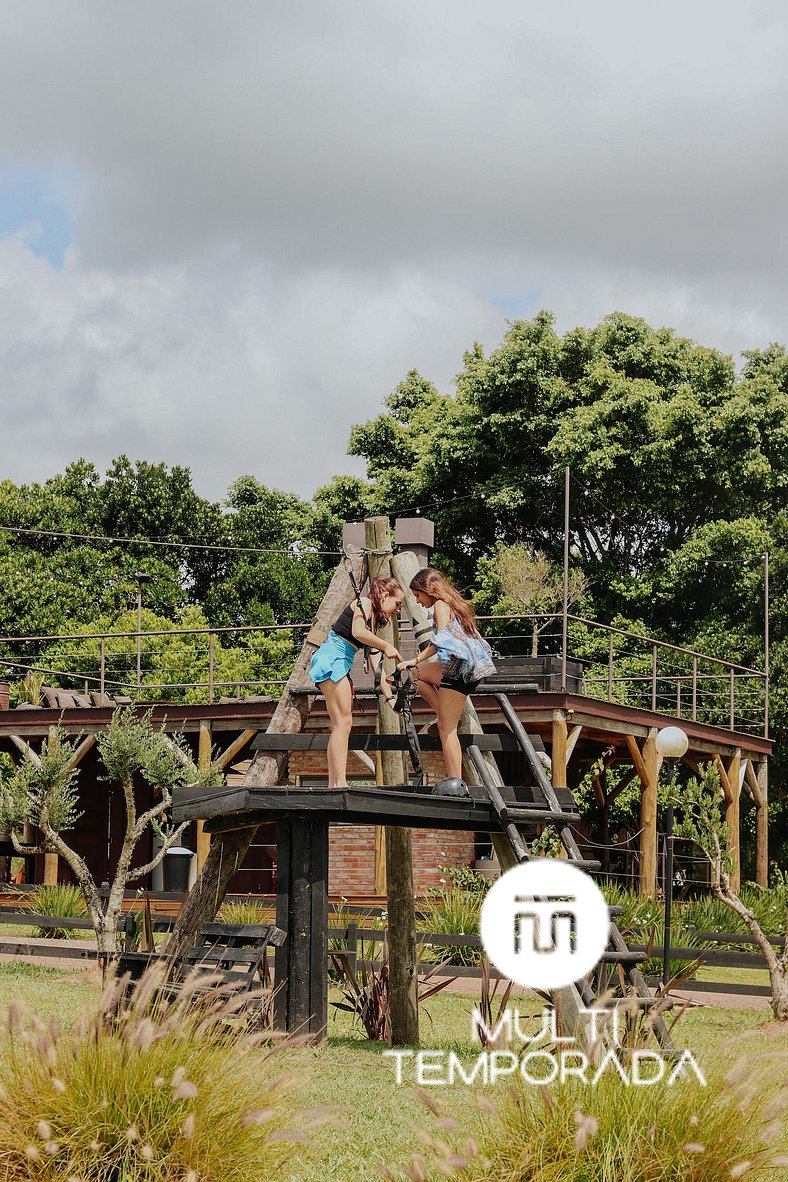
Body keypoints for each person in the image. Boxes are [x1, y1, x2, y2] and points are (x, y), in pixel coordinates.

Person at [397, 567, 496, 790]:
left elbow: (442, 640)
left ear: (428, 590)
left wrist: (415, 658)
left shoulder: (441, 605)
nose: (418, 601)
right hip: (459, 668)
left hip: (457, 671)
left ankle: (455, 781)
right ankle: (442, 712)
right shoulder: (453, 605)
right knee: (415, 676)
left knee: (446, 729)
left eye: (418, 595)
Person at [309, 576, 405, 787]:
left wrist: (390, 700)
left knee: (343, 724)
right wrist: (386, 645)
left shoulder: (373, 622)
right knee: (342, 723)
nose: (398, 610)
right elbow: (357, 632)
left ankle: (335, 782)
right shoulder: (365, 603)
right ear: (385, 595)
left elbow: (376, 668)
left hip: (340, 661)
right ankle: (338, 783)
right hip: (333, 657)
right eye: (397, 603)